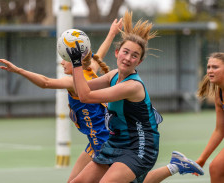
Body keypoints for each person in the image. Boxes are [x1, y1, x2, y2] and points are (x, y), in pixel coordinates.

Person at [67, 11, 204, 183]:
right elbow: (81, 89)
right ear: (117, 53)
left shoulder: (133, 86)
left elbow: (85, 96)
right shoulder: (113, 75)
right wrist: (77, 63)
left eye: (134, 55)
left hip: (139, 148)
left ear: (139, 62)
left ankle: (174, 166)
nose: (128, 58)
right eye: (125, 52)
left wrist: (77, 63)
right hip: (116, 142)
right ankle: (174, 166)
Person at [0, 18, 122, 183]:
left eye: (65, 58)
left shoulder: (74, 81)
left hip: (103, 142)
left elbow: (45, 83)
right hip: (95, 141)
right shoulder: (90, 69)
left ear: (76, 61)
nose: (62, 62)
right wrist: (112, 32)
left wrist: (18, 70)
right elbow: (100, 54)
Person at [194, 52, 224, 183]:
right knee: (215, 168)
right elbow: (220, 130)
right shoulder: (219, 95)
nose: (210, 71)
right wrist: (202, 159)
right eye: (208, 67)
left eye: (215, 67)